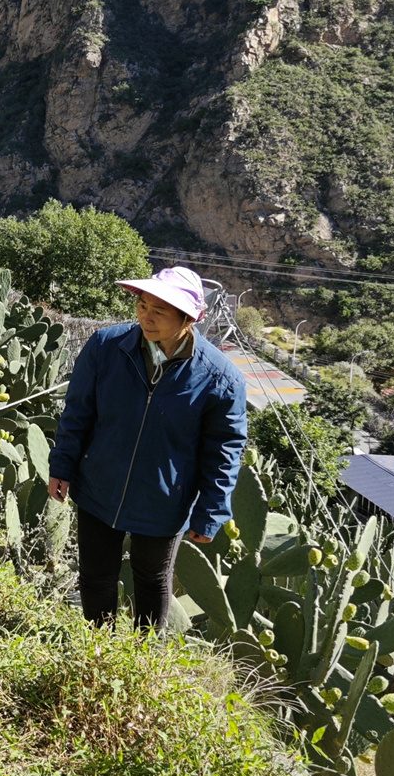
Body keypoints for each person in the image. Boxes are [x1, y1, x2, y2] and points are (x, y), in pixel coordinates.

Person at [46, 265, 248, 631]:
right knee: (96, 575)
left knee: (152, 580)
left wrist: (211, 512)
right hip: (99, 482)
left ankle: (145, 653)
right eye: (142, 305)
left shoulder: (220, 378)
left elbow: (224, 451)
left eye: (159, 311)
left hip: (164, 498)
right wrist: (62, 465)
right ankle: (98, 646)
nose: (146, 317)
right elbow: (78, 411)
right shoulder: (106, 346)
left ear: (188, 319)